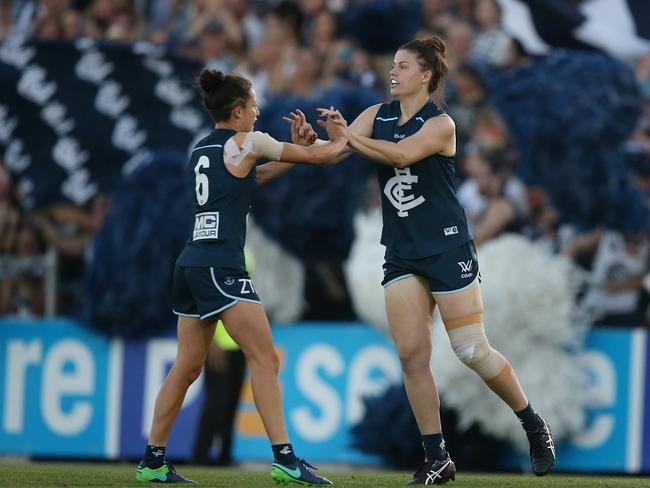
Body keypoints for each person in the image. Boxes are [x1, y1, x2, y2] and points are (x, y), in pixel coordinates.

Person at [294, 36, 555, 484]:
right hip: (401, 252)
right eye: (392, 65)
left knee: (471, 349)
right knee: (413, 355)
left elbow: (400, 154)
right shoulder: (376, 116)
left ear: (427, 76)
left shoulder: (442, 125)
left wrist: (349, 137)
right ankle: (438, 457)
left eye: (403, 66)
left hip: (447, 247)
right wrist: (310, 143)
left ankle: (533, 423)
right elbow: (332, 153)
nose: (393, 72)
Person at [135, 68, 346, 485]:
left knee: (186, 367)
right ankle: (285, 459)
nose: (258, 111)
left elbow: (253, 177)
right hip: (221, 265)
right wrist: (340, 136)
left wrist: (292, 158)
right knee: (265, 358)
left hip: (191, 262)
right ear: (237, 110)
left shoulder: (202, 149)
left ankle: (153, 461)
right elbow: (325, 156)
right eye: (253, 105)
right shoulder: (249, 141)